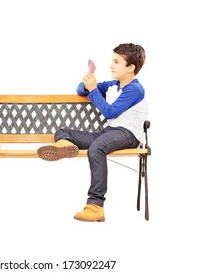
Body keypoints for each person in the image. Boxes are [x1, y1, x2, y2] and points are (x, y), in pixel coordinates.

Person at [37, 43, 147, 222]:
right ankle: (66, 145)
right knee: (63, 131)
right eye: (112, 60)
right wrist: (87, 83)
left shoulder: (135, 89)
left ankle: (96, 206)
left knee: (96, 148)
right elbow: (80, 90)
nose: (111, 65)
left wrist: (94, 89)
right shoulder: (113, 85)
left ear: (130, 68)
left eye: (117, 62)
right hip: (109, 132)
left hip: (128, 134)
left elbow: (110, 112)